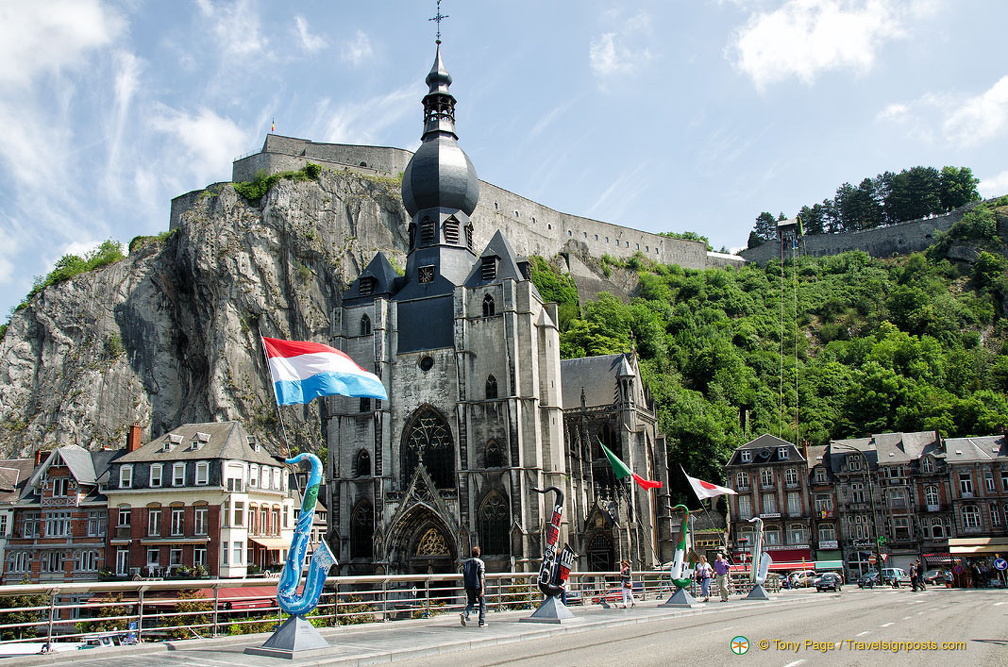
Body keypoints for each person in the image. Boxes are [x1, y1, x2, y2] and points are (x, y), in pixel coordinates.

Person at [460, 546, 487, 627]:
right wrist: (482, 588)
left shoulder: (466, 562)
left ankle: (465, 613)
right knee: (482, 603)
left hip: (468, 586)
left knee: (471, 602)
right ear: (478, 554)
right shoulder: (480, 562)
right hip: (477, 585)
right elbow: (481, 576)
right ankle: (481, 622)